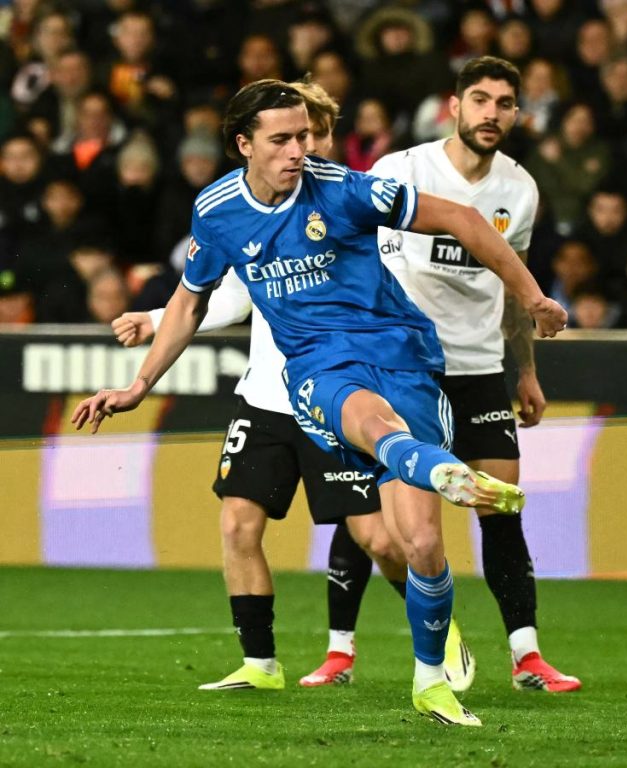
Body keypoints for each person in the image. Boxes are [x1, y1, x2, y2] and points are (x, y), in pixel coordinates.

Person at [72, 77, 568, 728]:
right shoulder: (217, 211)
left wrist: (532, 298)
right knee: (365, 420)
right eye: (282, 139)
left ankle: (431, 682)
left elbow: (465, 220)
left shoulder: (343, 190)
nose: (298, 151)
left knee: (421, 545)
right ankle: (438, 470)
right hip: (316, 367)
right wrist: (139, 385)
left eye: (304, 136)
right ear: (243, 144)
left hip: (404, 354)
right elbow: (193, 301)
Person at [308, 56, 580, 694]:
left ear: (518, 114)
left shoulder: (520, 189)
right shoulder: (401, 169)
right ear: (454, 106)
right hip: (399, 367)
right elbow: (350, 251)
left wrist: (526, 370)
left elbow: (512, 286)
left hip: (478, 367)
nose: (491, 113)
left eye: (504, 103)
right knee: (375, 511)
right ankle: (340, 649)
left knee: (501, 505)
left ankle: (527, 657)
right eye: (479, 99)